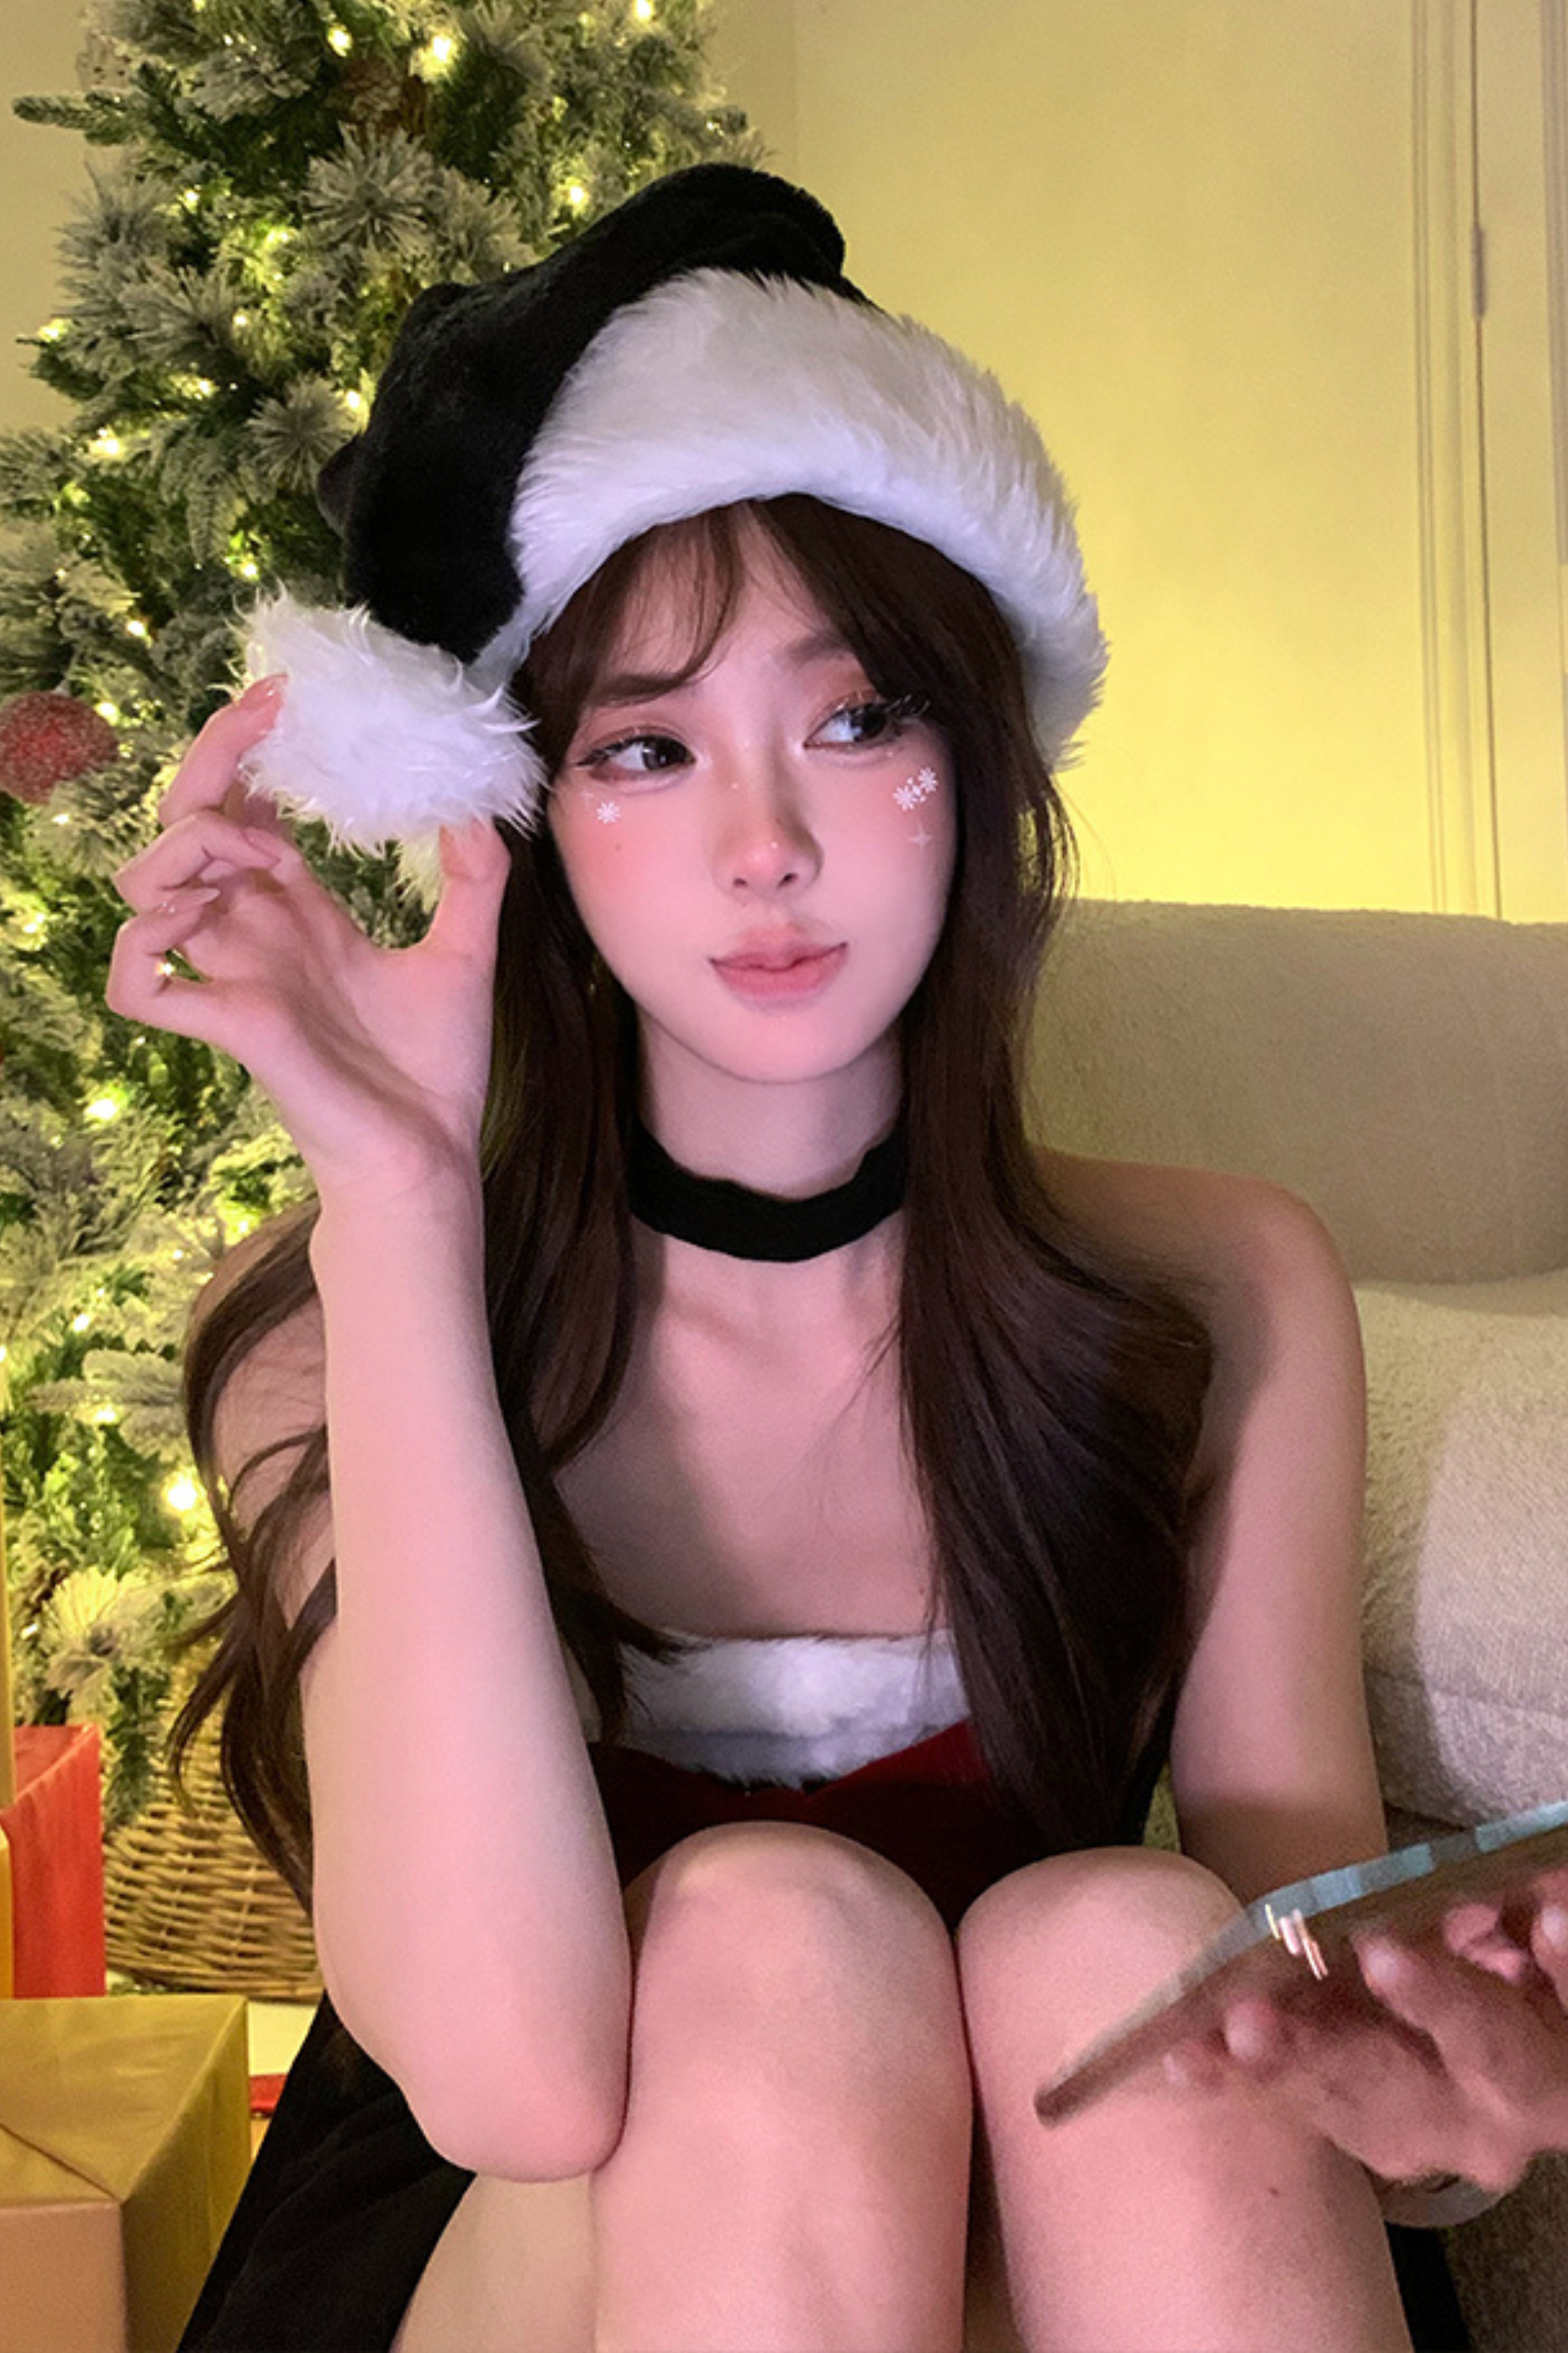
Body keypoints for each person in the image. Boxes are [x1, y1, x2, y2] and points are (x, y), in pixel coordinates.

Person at [103, 166, 1568, 2353]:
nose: (766, 844)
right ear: (527, 815)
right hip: (540, 2228)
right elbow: (513, 2077)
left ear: (974, 760)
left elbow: (1303, 2014)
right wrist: (399, 1205)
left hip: (1083, 2218)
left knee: (1122, 1947)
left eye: (856, 718)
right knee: (776, 1949)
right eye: (646, 747)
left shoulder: (1216, 1292)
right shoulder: (330, 1321)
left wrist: (1449, 2100)